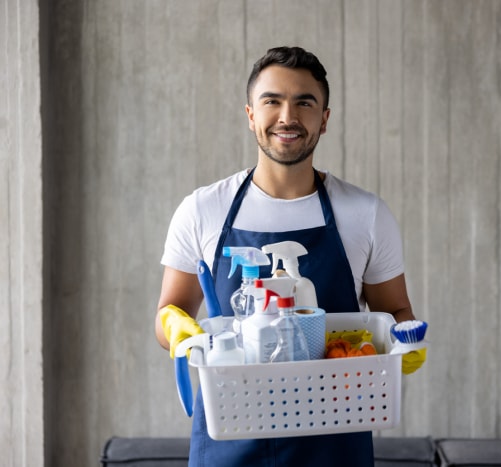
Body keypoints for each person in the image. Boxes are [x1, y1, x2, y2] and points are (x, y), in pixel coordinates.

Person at [154, 46, 426, 467]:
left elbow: (395, 310)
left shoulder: (366, 214)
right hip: (230, 443)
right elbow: (167, 312)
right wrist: (177, 328)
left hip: (335, 444)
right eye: (272, 101)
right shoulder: (203, 210)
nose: (288, 116)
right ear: (250, 114)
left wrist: (406, 342)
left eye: (304, 102)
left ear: (325, 118)